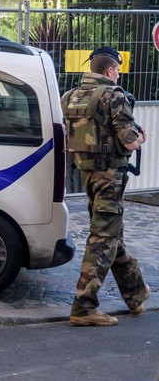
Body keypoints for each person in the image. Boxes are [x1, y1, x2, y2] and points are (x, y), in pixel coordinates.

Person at [61, 46, 151, 327]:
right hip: (110, 177)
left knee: (111, 234)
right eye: (118, 71)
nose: (119, 76)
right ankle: (84, 306)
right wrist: (140, 138)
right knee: (103, 237)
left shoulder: (70, 96)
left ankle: (135, 294)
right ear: (110, 71)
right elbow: (127, 140)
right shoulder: (113, 95)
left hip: (86, 174)